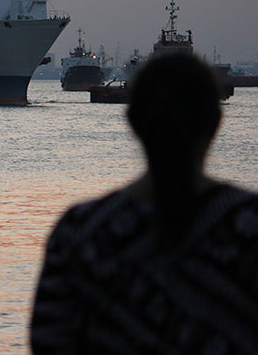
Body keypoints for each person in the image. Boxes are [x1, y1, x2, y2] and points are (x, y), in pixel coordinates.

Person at [31, 53, 258, 354]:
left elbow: (49, 342)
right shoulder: (249, 227)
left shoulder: (79, 234)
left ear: (133, 122)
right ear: (215, 122)